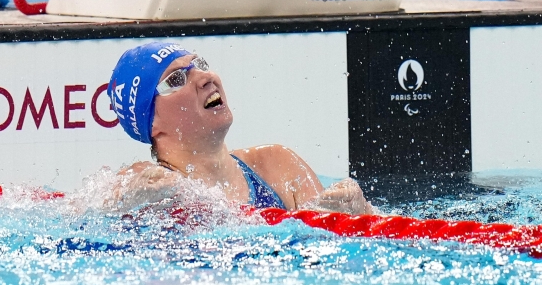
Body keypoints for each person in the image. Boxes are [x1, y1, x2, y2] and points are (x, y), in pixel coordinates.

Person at [107, 42, 374, 214]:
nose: (205, 77)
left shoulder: (276, 165)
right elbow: (81, 210)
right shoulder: (147, 184)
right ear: (151, 122)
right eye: (176, 79)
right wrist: (126, 201)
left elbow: (332, 240)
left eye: (199, 65)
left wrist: (363, 211)